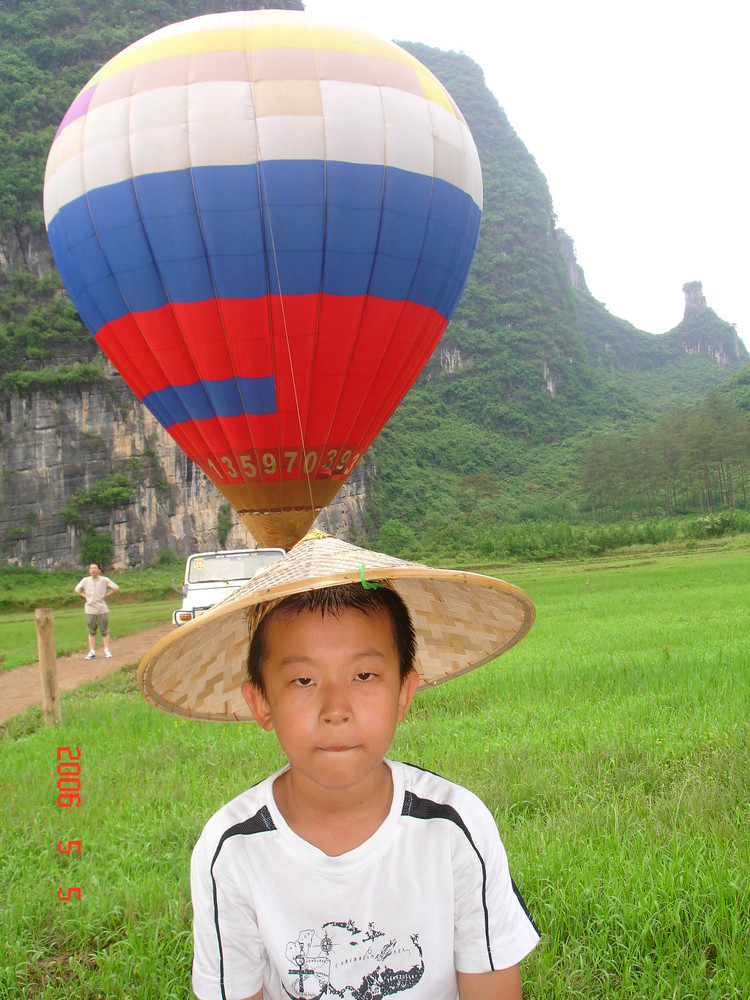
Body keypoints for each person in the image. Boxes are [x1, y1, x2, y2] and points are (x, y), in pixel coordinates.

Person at [137, 531, 540, 1000]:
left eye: (364, 675)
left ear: (404, 693)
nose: (336, 708)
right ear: (261, 702)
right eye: (303, 680)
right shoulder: (231, 850)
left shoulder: (456, 827)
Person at [74, 561, 119, 659]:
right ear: (89, 570)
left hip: (102, 608)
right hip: (90, 608)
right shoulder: (85, 580)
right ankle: (92, 651)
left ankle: (107, 650)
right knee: (91, 631)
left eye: (95, 568)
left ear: (99, 570)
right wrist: (84, 596)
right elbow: (77, 589)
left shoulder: (104, 580)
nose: (93, 570)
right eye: (91, 568)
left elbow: (116, 588)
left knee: (104, 630)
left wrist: (106, 595)